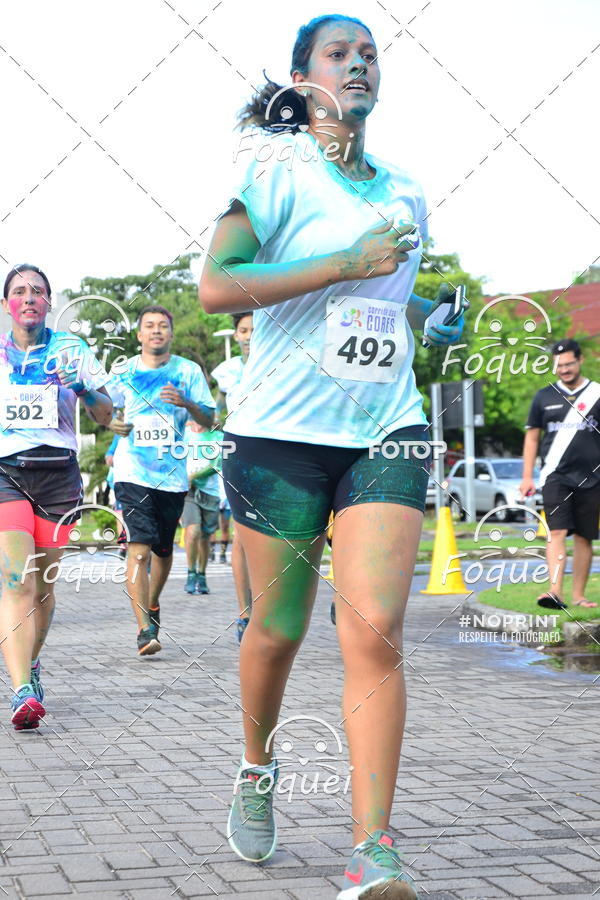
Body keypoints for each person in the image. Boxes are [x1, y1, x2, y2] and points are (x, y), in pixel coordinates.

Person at [199, 15, 465, 898]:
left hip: (384, 427)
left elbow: (380, 295)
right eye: (337, 53)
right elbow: (217, 285)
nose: (357, 63)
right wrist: (338, 262)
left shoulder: (408, 192)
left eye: (369, 52)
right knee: (276, 632)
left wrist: (430, 314)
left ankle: (373, 850)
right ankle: (255, 766)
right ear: (304, 78)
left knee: (375, 632)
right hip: (279, 434)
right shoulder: (272, 169)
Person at [0, 264, 112, 729]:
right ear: (7, 303)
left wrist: (82, 386)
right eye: (19, 291)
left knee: (43, 589)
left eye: (38, 291)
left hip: (58, 476)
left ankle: (32, 663)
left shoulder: (72, 349)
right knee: (16, 582)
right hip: (6, 472)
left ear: (50, 302)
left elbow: (107, 414)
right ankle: (22, 689)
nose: (29, 298)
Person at [107, 305, 215, 656]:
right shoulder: (123, 371)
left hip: (171, 475)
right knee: (138, 549)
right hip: (132, 471)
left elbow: (210, 417)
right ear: (139, 335)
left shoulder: (187, 371)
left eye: (162, 326)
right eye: (149, 326)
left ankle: (151, 603)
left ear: (170, 333)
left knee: (164, 551)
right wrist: (111, 423)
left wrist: (186, 403)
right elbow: (102, 407)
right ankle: (143, 630)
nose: (156, 331)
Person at [520, 339, 600, 610]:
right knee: (557, 532)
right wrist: (526, 476)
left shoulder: (597, 394)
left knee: (584, 536)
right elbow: (532, 438)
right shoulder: (543, 396)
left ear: (579, 361)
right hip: (555, 475)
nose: (564, 369)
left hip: (593, 477)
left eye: (568, 364)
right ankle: (555, 591)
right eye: (559, 365)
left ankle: (579, 596)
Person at [212, 312, 254, 642]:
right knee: (241, 534)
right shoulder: (228, 370)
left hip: (287, 450)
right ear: (237, 335)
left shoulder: (287, 361)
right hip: (242, 449)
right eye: (244, 330)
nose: (250, 335)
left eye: (256, 329)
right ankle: (245, 613)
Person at [182, 419, 222, 595]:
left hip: (210, 492)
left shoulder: (218, 436)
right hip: (188, 493)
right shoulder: (184, 434)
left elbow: (217, 465)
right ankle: (191, 573)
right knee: (193, 531)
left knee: (205, 536)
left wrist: (194, 476)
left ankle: (202, 575)